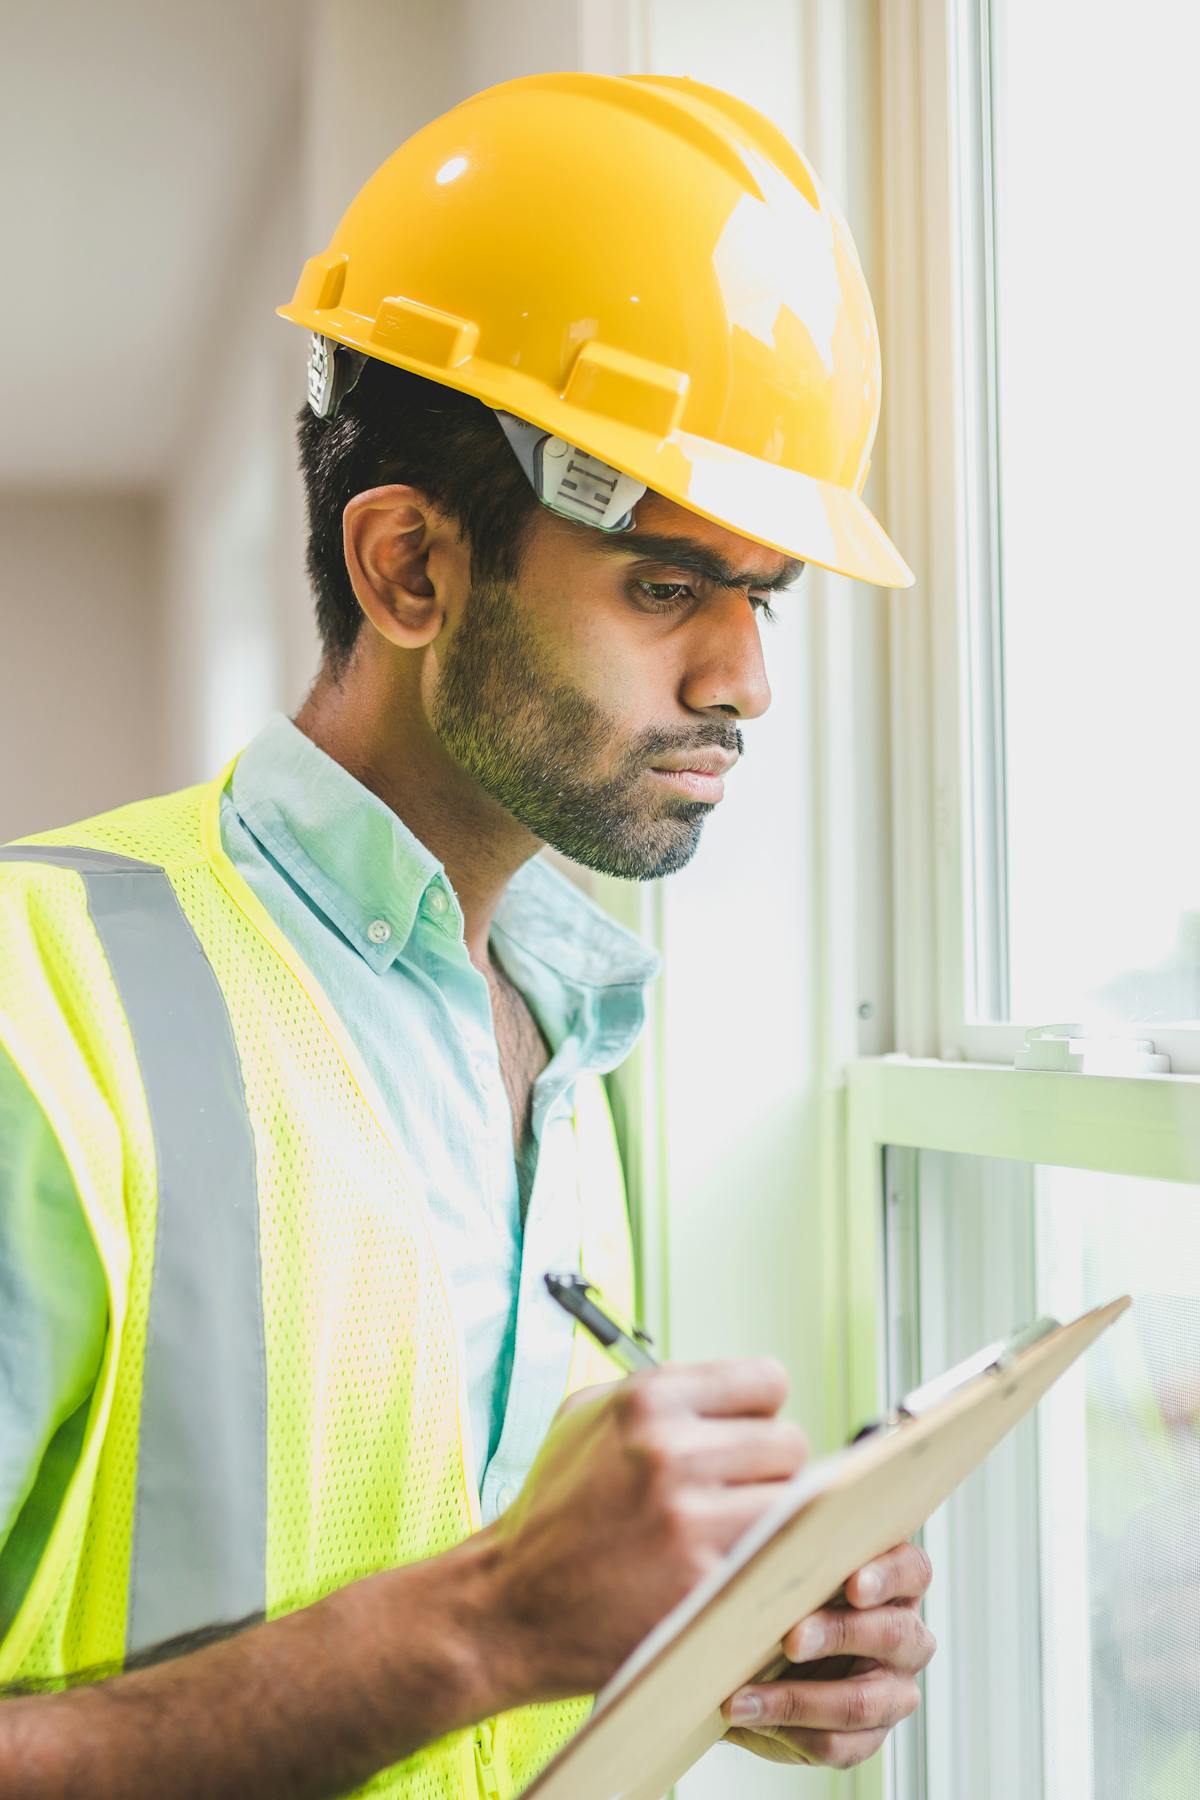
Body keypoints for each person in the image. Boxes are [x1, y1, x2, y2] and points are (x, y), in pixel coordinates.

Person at [0, 72, 933, 1797]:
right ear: (410, 569)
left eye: (763, 597)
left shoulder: (573, 1045)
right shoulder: (32, 1005)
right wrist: (491, 1622)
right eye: (667, 585)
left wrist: (695, 1648)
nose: (744, 679)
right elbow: (462, 1627)